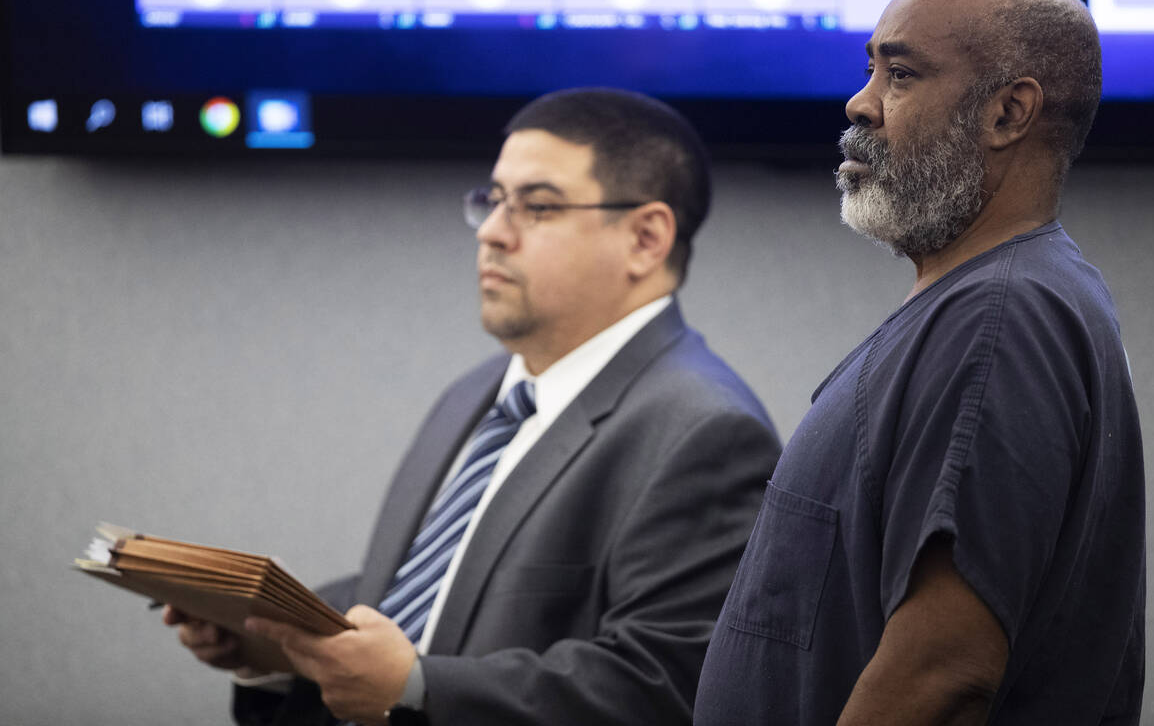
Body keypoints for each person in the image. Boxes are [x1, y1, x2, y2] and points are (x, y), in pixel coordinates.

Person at [165, 87, 781, 726]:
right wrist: (272, 641)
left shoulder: (708, 431)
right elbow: (433, 601)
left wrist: (417, 687)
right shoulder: (480, 390)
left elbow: (663, 687)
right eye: (492, 200)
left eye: (537, 207)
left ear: (646, 238)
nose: (491, 232)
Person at [695, 0, 1144, 725]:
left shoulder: (1002, 319)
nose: (859, 103)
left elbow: (942, 672)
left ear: (1007, 113)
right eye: (869, 68)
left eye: (899, 74)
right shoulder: (987, 304)